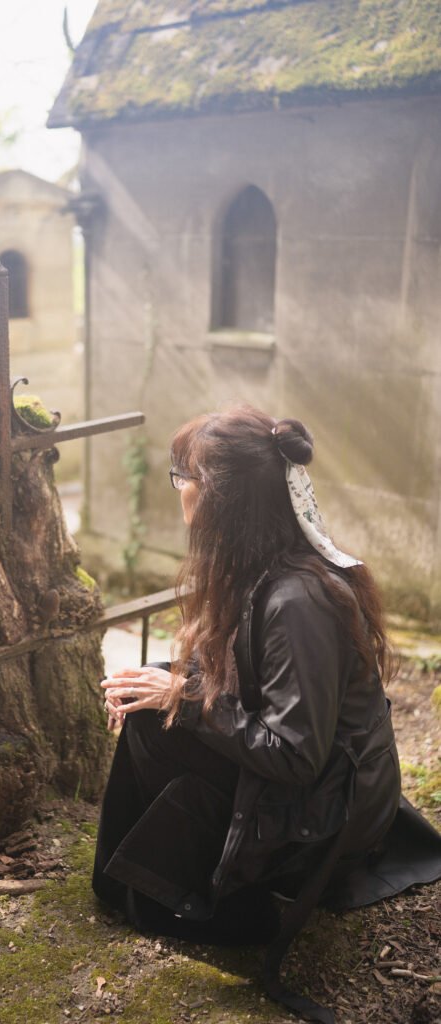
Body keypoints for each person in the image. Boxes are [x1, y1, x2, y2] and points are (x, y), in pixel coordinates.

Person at [94, 406, 441, 1024]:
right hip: (318, 786)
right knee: (153, 698)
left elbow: (295, 753)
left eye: (184, 476)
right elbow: (249, 689)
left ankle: (234, 900)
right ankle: (171, 876)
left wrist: (186, 701)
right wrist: (172, 684)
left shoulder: (299, 599)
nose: (180, 490)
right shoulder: (263, 572)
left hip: (327, 815)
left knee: (163, 716)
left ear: (223, 499)